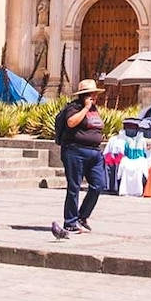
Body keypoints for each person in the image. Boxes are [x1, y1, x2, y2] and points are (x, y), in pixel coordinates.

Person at [52, 78, 106, 238]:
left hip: (95, 153)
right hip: (75, 151)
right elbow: (71, 123)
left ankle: (82, 217)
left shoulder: (95, 109)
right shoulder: (74, 108)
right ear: (84, 96)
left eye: (95, 94)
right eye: (91, 95)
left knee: (99, 185)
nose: (95, 97)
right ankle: (70, 222)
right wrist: (86, 108)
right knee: (74, 187)